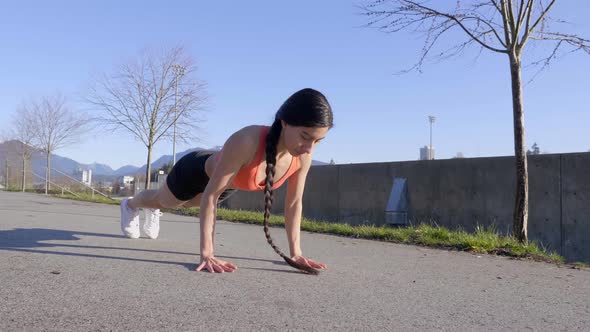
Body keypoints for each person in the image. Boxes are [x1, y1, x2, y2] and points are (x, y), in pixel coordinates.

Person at [120, 88, 333, 274]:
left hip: (227, 185)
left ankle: (150, 209)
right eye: (305, 136)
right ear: (285, 122)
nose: (309, 148)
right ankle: (130, 205)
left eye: (317, 140)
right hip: (194, 171)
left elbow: (294, 203)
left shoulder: (303, 157)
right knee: (164, 201)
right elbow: (211, 196)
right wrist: (207, 254)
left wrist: (296, 254)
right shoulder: (247, 140)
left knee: (190, 204)